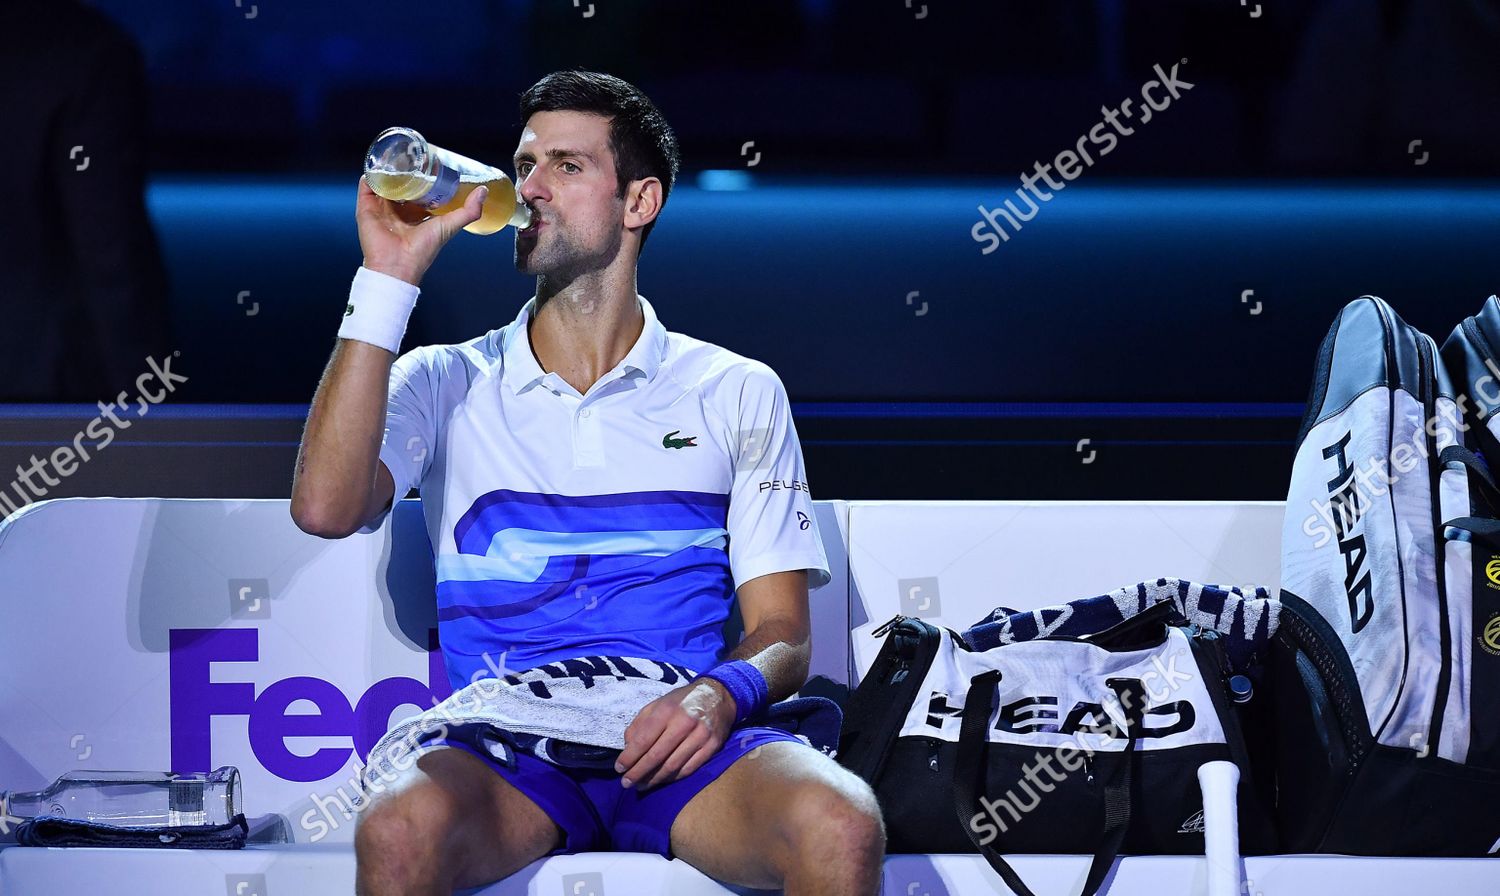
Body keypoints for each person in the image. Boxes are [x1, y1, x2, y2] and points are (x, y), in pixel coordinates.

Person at [290, 70, 885, 895]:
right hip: (507, 747)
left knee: (841, 822)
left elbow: (783, 631)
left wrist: (717, 697)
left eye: (565, 167)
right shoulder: (442, 378)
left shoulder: (736, 388)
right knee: (395, 828)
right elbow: (324, 508)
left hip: (680, 741)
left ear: (639, 203)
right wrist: (388, 279)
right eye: (524, 163)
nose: (527, 187)